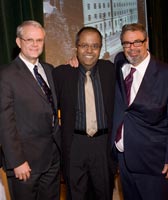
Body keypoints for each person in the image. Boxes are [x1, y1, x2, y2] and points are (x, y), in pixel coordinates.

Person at [53, 26, 117, 200]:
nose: (89, 50)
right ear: (76, 47)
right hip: (75, 145)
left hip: (103, 146)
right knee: (76, 195)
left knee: (104, 194)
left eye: (95, 46)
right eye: (84, 45)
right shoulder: (61, 74)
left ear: (101, 48)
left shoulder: (110, 70)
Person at [0, 20, 61, 200]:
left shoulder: (49, 70)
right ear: (19, 42)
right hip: (25, 164)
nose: (35, 44)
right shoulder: (6, 75)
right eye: (29, 40)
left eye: (39, 40)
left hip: (52, 159)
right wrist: (17, 161)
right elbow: (5, 122)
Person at [111, 23, 168, 200]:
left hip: (155, 163)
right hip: (124, 161)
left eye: (137, 42)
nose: (132, 48)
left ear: (147, 42)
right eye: (127, 43)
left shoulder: (166, 73)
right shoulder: (119, 64)